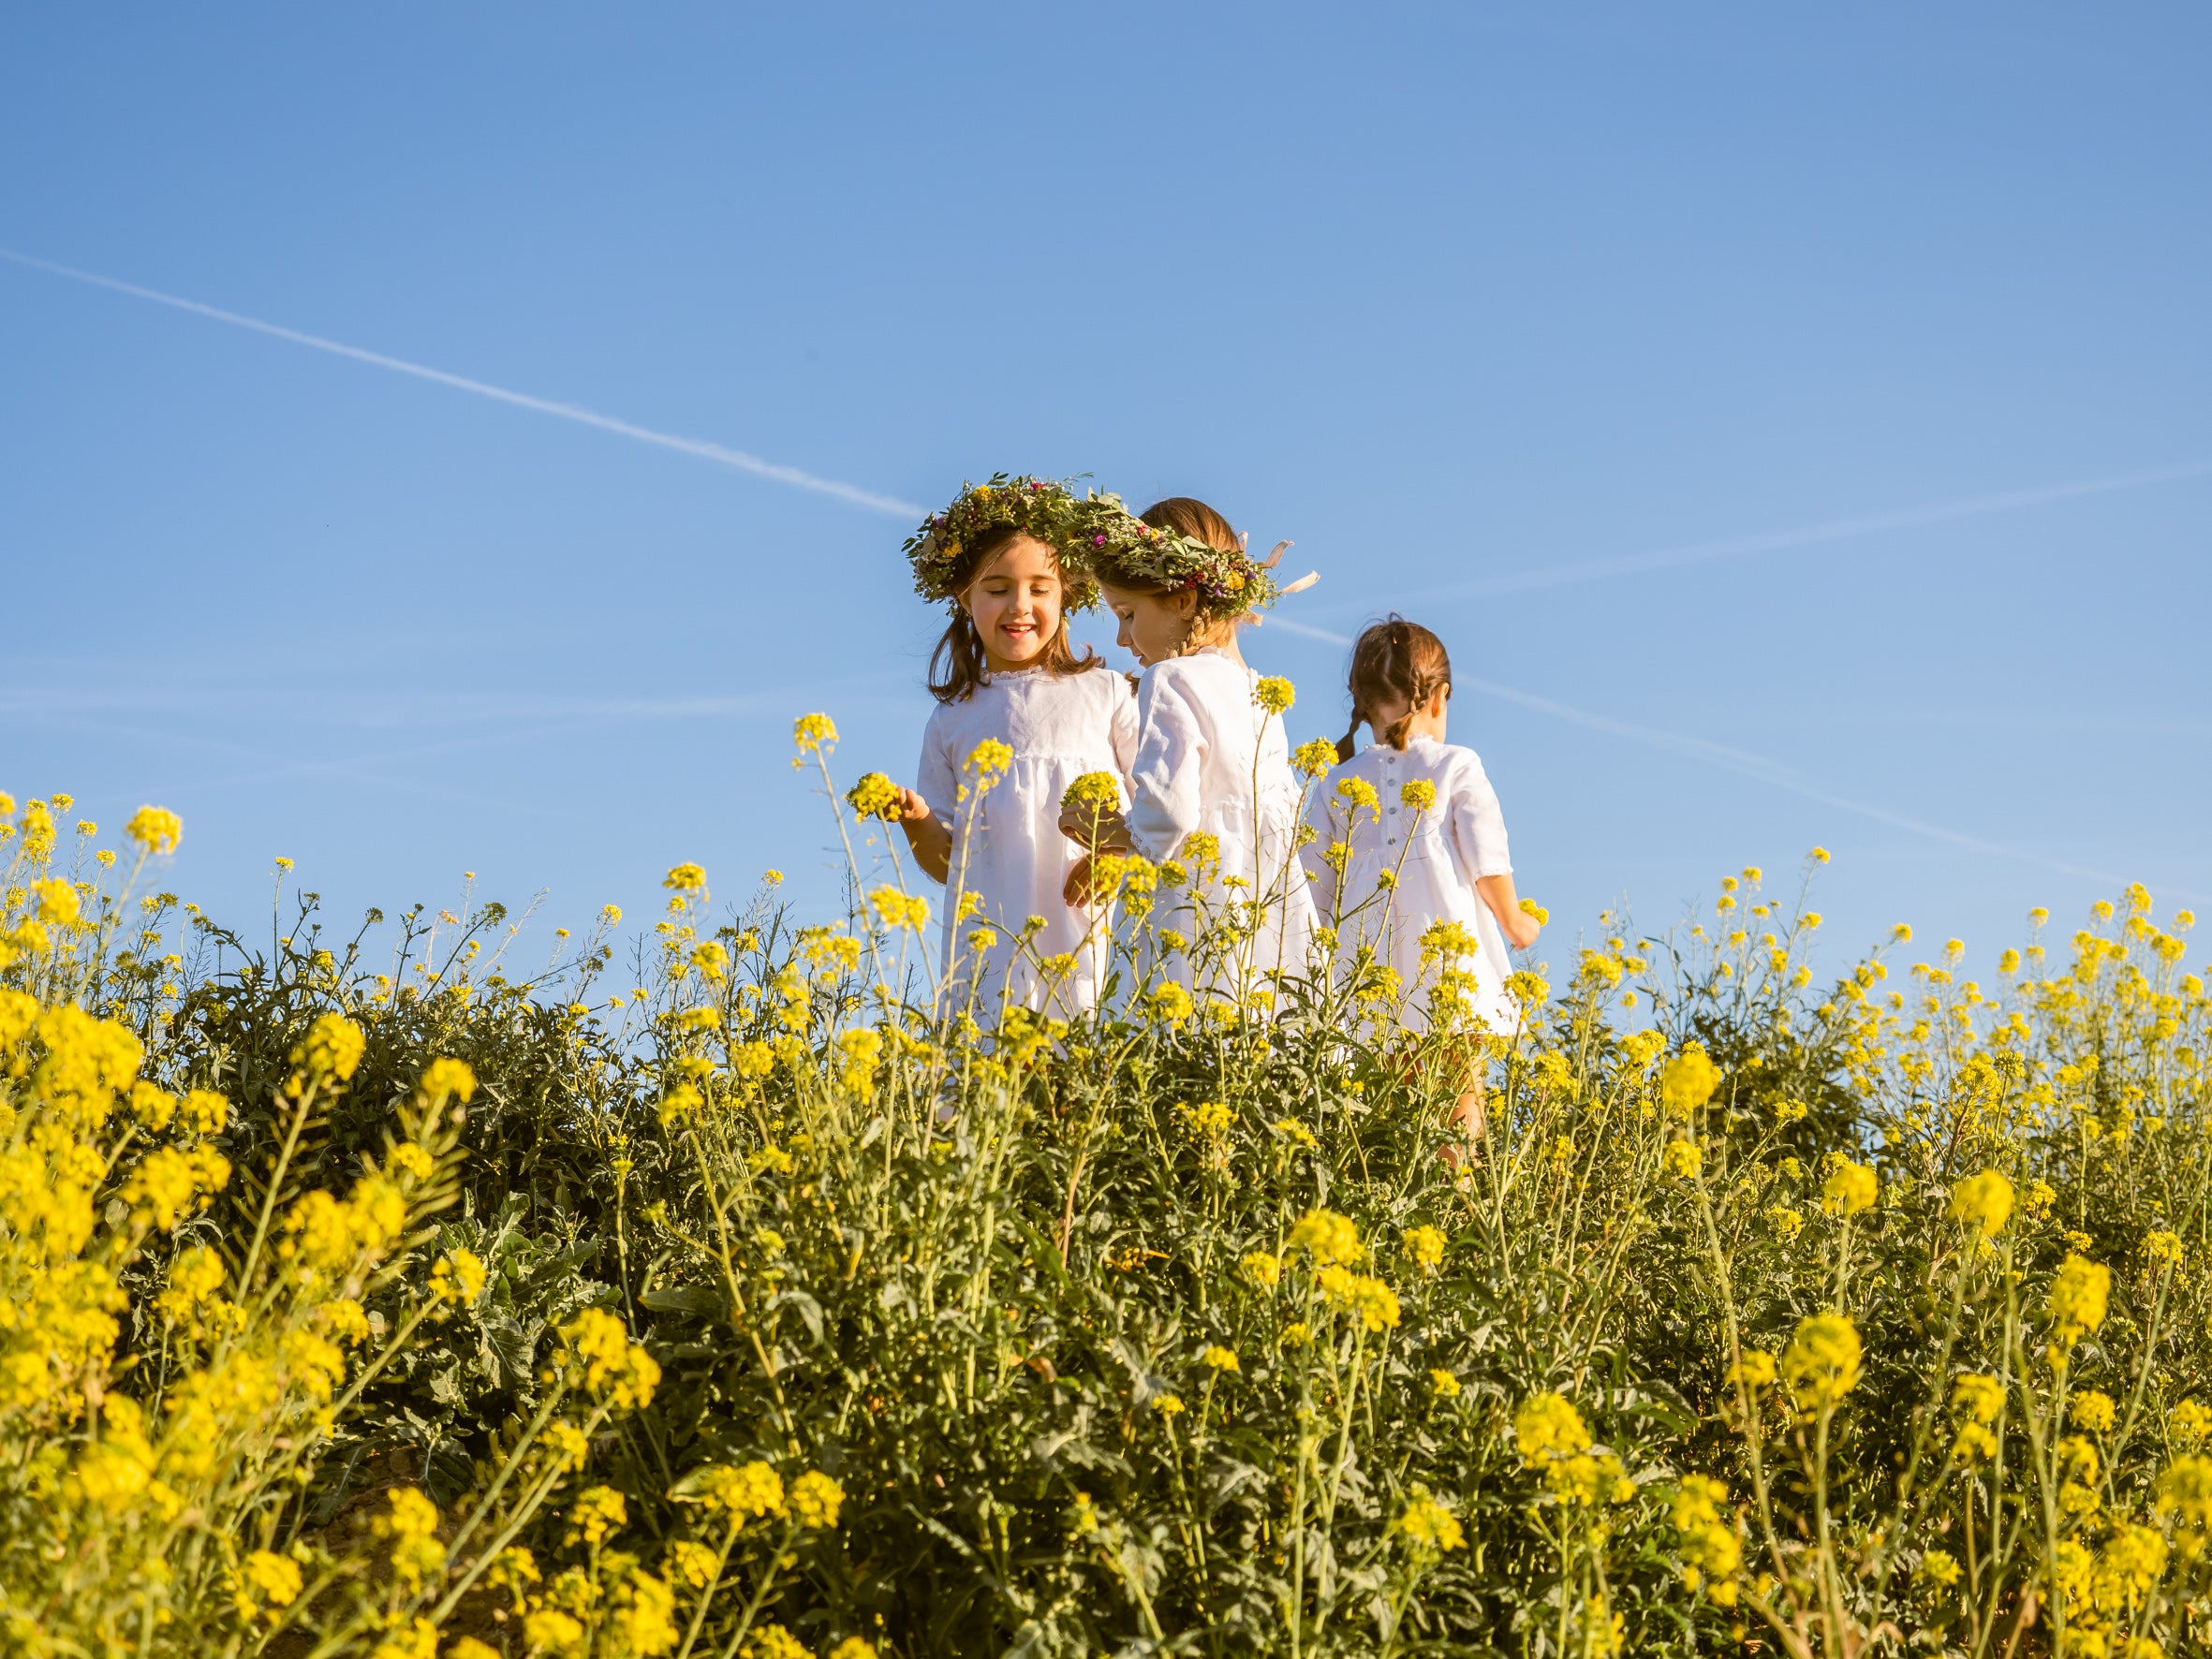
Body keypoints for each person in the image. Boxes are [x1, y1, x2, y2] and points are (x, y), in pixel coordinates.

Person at [890, 477, 1137, 1015]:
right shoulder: (952, 719)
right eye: (997, 588)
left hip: (1091, 932)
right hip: (994, 945)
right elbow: (947, 861)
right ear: (964, 597)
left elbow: (1155, 811)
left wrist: (1113, 852)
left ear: (1067, 593)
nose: (1019, 606)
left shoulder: (1108, 693)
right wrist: (917, 821)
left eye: (1039, 588)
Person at [1054, 495, 1317, 996]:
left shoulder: (1172, 678)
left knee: (1179, 1043)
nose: (1122, 638)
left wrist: (1108, 828)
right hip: (1268, 913)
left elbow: (1168, 818)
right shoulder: (1263, 695)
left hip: (1198, 916)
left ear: (1183, 600)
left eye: (1128, 614)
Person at [1303, 615, 1541, 1139]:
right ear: (1440, 697)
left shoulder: (1336, 782)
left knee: (1382, 1088)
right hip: (1446, 958)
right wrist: (1513, 918)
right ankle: (1454, 1191)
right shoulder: (1456, 764)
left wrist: (1322, 956)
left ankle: (1390, 1190)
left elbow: (1315, 880)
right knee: (1458, 1088)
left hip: (1365, 963)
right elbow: (1486, 853)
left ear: (1362, 705)